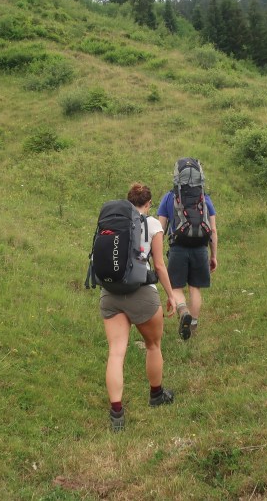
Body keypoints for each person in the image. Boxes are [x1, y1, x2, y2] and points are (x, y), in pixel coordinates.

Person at [100, 182, 178, 432]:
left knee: (116, 352)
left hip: (110, 293)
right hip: (142, 292)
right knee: (153, 345)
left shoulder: (113, 221)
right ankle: (156, 395)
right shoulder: (154, 224)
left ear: (127, 201)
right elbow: (159, 265)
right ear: (148, 204)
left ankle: (117, 413)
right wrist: (171, 295)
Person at [157, 165, 217, 341]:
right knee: (195, 287)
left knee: (176, 287)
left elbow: (160, 229)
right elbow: (213, 230)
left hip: (177, 248)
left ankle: (183, 310)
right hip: (200, 248)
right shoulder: (204, 198)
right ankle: (193, 326)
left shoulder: (169, 197)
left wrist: (157, 254)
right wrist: (213, 255)